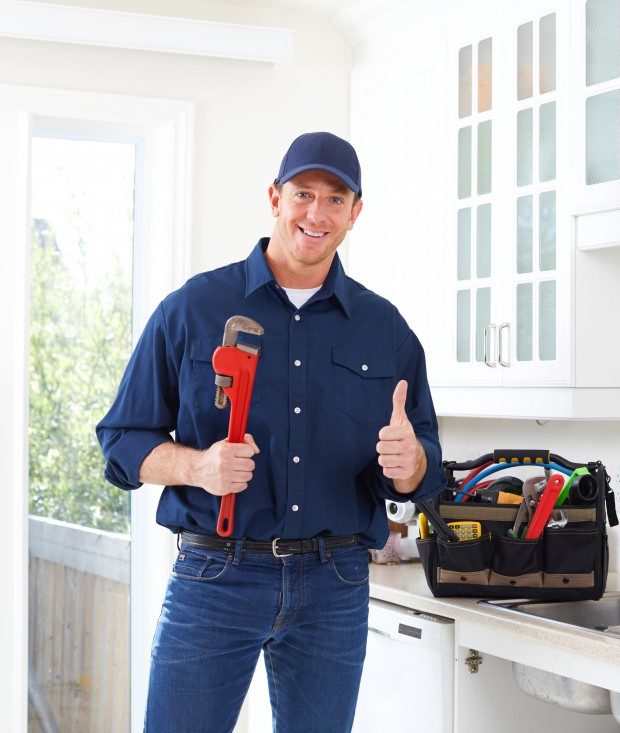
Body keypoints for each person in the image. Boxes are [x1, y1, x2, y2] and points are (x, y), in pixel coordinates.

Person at [96, 131, 446, 732]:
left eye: (336, 200)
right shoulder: (194, 309)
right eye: (303, 193)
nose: (317, 212)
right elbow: (123, 443)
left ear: (355, 213)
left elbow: (426, 469)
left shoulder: (384, 329)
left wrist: (411, 464)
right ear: (274, 198)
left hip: (335, 585)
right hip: (216, 579)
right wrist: (197, 467)